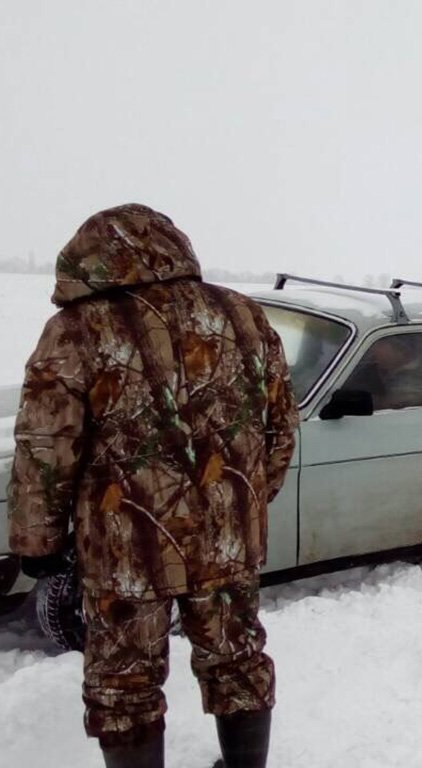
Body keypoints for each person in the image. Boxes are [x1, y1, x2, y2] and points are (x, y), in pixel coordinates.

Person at [6, 204, 299, 768]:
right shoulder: (241, 314)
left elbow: (46, 445)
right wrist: (245, 502)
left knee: (124, 681)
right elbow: (281, 422)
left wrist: (37, 543)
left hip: (125, 549)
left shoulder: (76, 329)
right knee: (237, 657)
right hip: (227, 539)